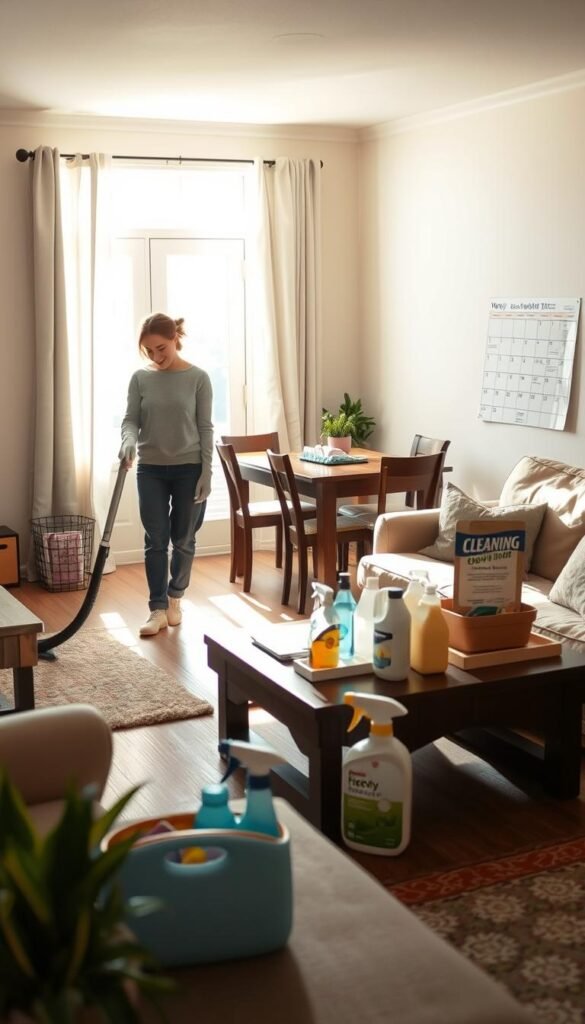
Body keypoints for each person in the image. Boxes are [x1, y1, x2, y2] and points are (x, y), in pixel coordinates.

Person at [119, 312, 213, 636]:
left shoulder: (199, 378)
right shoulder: (140, 379)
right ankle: (157, 609)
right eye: (149, 352)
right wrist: (128, 441)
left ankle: (175, 599)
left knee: (184, 539)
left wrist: (207, 473)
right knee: (155, 540)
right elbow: (130, 420)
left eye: (161, 348)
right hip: (150, 469)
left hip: (190, 469)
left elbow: (205, 427)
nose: (156, 357)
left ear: (175, 338)